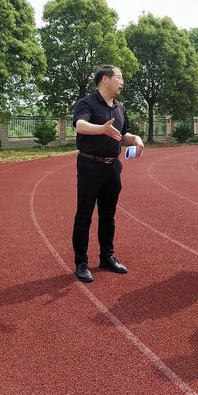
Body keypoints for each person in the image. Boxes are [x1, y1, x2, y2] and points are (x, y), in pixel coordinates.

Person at [71, 65, 144, 282]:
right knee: (84, 215)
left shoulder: (120, 108)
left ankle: (107, 257)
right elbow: (80, 125)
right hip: (90, 165)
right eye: (119, 77)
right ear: (105, 79)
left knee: (108, 215)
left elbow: (122, 134)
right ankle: (81, 263)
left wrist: (135, 139)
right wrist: (101, 128)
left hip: (113, 167)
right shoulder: (87, 103)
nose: (122, 82)